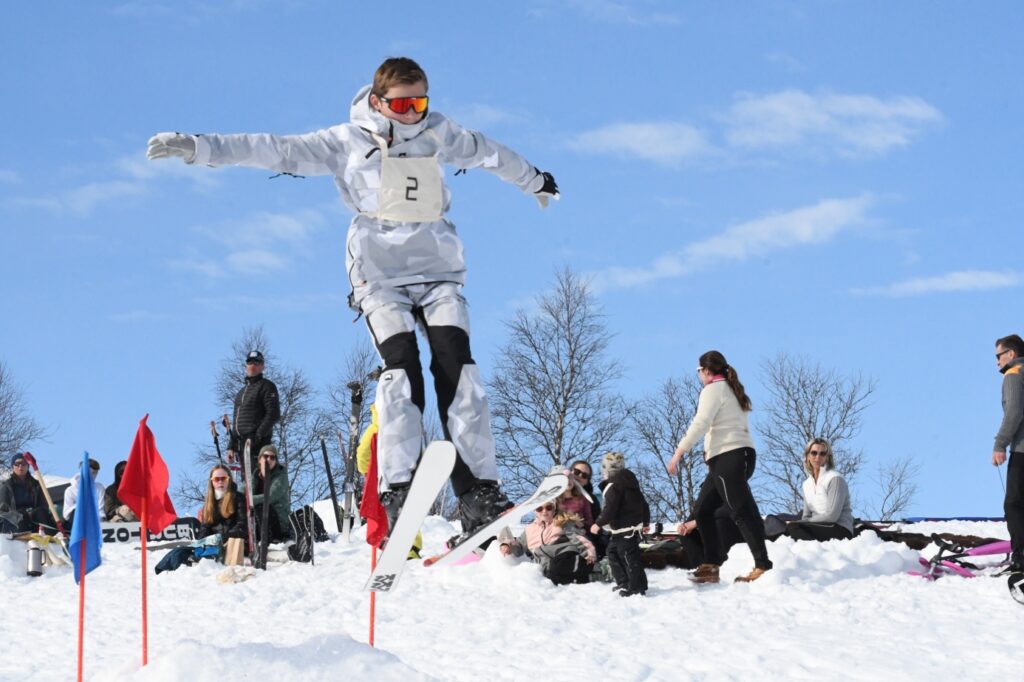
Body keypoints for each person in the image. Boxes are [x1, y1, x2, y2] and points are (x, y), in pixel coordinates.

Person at [147, 57, 558, 542]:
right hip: (379, 275)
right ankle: (399, 484)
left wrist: (536, 181)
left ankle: (478, 490)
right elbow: (274, 150)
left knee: (458, 368)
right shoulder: (346, 141)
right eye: (403, 104)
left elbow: (490, 153)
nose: (413, 114)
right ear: (380, 102)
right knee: (401, 369)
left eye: (421, 103)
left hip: (439, 269)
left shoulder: (440, 132)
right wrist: (199, 148)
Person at [669, 350, 772, 584]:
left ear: (706, 371)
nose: (699, 375)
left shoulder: (714, 389)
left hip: (730, 458)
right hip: (731, 457)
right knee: (703, 510)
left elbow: (701, 422)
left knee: (742, 511)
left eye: (698, 371)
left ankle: (762, 565)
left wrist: (679, 452)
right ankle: (711, 564)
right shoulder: (732, 389)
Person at [356, 404, 423, 558]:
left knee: (392, 511)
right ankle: (412, 545)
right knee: (408, 510)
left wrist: (370, 470)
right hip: (408, 477)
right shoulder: (409, 426)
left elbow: (362, 460)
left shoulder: (374, 430)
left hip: (386, 482)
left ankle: (394, 544)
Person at [591, 451, 650, 596]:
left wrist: (598, 523)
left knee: (628, 557)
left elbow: (610, 508)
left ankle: (636, 587)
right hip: (622, 531)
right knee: (613, 552)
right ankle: (625, 582)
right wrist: (646, 521)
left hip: (625, 529)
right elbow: (644, 505)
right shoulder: (631, 485)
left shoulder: (614, 486)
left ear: (605, 469)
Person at [502, 501, 596, 585]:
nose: (544, 511)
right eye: (539, 508)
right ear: (535, 511)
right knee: (552, 577)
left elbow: (579, 538)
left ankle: (596, 568)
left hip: (567, 557)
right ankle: (589, 578)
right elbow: (519, 547)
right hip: (549, 568)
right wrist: (508, 546)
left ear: (554, 509)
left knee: (557, 566)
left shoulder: (561, 522)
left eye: (548, 507)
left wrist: (589, 554)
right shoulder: (529, 530)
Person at [993, 334, 1024, 572]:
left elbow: (1013, 412)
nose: (996, 362)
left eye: (998, 355)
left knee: (1013, 503)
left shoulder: (1014, 376)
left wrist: (1000, 444)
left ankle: (1021, 557)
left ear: (1011, 354)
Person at [784, 438, 854, 541]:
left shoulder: (835, 479)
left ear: (827, 457)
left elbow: (832, 517)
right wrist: (804, 522)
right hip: (818, 527)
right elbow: (806, 516)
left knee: (793, 528)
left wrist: (804, 522)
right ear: (807, 456)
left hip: (839, 529)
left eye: (822, 454)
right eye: (814, 453)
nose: (818, 457)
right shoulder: (807, 484)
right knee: (785, 531)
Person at [226, 351, 280, 469]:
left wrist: (258, 436)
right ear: (246, 365)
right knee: (246, 483)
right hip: (241, 447)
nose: (253, 365)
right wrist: (231, 446)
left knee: (258, 480)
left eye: (257, 362)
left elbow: (273, 414)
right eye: (249, 362)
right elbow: (236, 422)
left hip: (258, 446)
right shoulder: (241, 393)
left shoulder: (267, 386)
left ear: (262, 366)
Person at [251, 444, 291, 543]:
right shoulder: (256, 475)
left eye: (272, 457)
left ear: (275, 461)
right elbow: (244, 489)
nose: (269, 459)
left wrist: (249, 500)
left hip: (278, 522)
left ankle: (271, 541)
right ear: (260, 459)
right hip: (259, 521)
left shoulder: (281, 474)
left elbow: (272, 496)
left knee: (260, 506)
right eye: (265, 456)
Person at [198, 464, 248, 543]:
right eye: (216, 479)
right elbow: (204, 529)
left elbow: (242, 524)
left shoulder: (238, 498)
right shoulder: (208, 504)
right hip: (215, 547)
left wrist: (224, 538)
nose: (220, 481)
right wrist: (201, 543)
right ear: (212, 481)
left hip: (234, 543)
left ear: (229, 480)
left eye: (224, 478)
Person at [0, 454, 49, 533]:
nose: (20, 467)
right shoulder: (7, 486)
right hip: (15, 521)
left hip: (35, 518)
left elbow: (44, 506)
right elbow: (3, 509)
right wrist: (23, 514)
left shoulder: (36, 485)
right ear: (13, 466)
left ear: (28, 466)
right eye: (17, 464)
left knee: (42, 513)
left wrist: (33, 513)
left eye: (23, 464)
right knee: (22, 517)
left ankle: (48, 539)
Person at [63, 458, 105, 527]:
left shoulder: (99, 487)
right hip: (75, 524)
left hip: (94, 522)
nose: (93, 476)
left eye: (95, 473)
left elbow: (100, 509)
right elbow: (66, 514)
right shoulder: (70, 490)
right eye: (90, 473)